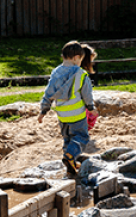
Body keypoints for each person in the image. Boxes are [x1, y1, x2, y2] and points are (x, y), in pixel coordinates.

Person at [37, 40, 95, 173]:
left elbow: (48, 93)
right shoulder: (81, 74)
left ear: (63, 56)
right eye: (81, 59)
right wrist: (91, 108)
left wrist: (43, 111)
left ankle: (70, 163)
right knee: (81, 137)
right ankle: (70, 156)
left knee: (67, 138)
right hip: (77, 114)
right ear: (76, 58)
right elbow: (87, 94)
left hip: (62, 116)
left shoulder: (55, 73)